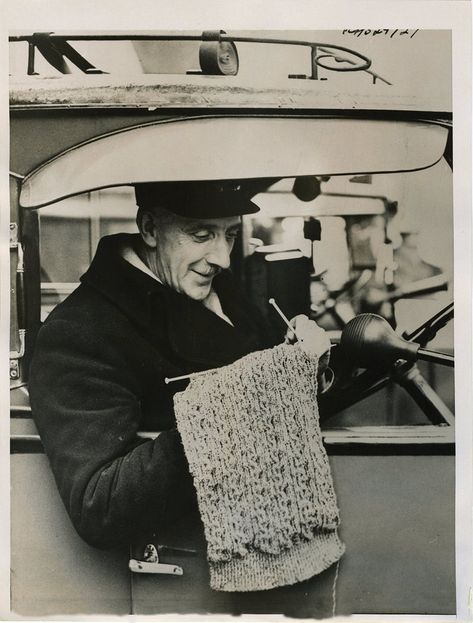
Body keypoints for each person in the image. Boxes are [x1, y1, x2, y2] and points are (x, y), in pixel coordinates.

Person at [29, 179, 332, 555]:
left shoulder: (222, 290)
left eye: (230, 235)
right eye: (201, 234)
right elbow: (100, 503)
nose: (221, 257)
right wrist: (249, 396)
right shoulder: (80, 332)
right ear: (151, 229)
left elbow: (269, 379)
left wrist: (303, 368)